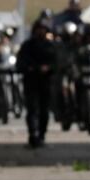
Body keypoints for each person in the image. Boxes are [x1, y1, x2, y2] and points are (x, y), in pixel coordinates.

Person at [16, 19, 58, 147]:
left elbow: (57, 64)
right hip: (31, 81)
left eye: (43, 29)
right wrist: (31, 68)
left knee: (44, 111)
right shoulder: (27, 46)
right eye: (39, 29)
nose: (41, 31)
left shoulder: (51, 46)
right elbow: (20, 64)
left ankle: (41, 134)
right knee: (32, 109)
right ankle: (33, 134)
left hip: (46, 82)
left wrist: (48, 68)